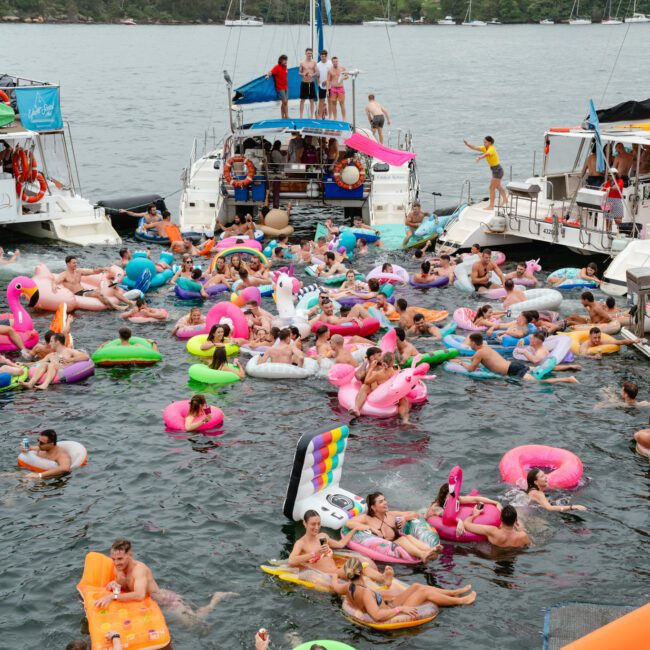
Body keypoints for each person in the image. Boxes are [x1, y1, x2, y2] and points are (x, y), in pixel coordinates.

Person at [93, 539, 236, 624]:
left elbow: (139, 595)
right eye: (113, 559)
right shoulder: (118, 567)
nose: (116, 563)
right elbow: (124, 584)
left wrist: (113, 596)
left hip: (165, 600)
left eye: (120, 559)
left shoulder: (139, 570)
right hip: (150, 604)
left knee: (194, 622)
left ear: (129, 555)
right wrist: (115, 585)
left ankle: (216, 598)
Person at [288, 510, 393, 584]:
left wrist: (354, 529)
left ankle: (382, 578)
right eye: (313, 524)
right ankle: (379, 580)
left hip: (336, 570)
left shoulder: (322, 537)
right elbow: (291, 561)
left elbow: (341, 544)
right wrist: (314, 553)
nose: (317, 527)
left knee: (360, 565)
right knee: (355, 566)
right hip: (326, 576)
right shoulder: (301, 543)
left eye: (319, 523)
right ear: (305, 523)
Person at [346, 492, 442, 562]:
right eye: (381, 502)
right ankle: (423, 554)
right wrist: (371, 528)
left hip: (402, 542)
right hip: (388, 547)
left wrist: (405, 518)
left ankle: (429, 550)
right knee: (402, 540)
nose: (385, 503)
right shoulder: (367, 518)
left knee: (408, 537)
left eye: (384, 500)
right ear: (373, 507)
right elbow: (349, 523)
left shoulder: (391, 515)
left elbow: (415, 514)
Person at [457, 332, 579, 384]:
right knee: (538, 368)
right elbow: (475, 357)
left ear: (474, 343)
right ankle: (569, 367)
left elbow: (471, 369)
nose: (469, 344)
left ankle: (568, 379)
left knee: (539, 382)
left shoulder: (479, 353)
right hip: (513, 365)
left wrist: (462, 364)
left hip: (512, 370)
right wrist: (461, 358)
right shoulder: (484, 348)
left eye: (470, 342)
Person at [348, 352, 411, 423]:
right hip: (393, 396)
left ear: (382, 361)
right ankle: (405, 420)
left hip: (381, 397)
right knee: (404, 399)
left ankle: (356, 408)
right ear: (393, 362)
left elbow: (366, 381)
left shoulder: (378, 374)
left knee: (364, 386)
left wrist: (371, 368)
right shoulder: (396, 371)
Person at [20, 333, 91, 390]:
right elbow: (37, 363)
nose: (49, 343)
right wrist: (23, 363)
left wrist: (70, 359)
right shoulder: (51, 355)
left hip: (66, 372)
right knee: (44, 364)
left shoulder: (69, 351)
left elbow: (86, 357)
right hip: (55, 373)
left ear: (57, 342)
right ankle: (31, 383)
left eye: (51, 341)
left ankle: (45, 385)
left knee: (51, 364)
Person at [53, 255, 121, 310]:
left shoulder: (78, 271)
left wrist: (102, 269)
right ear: (68, 264)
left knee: (106, 290)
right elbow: (56, 281)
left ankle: (128, 302)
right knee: (98, 294)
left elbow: (93, 271)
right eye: (74, 263)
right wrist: (54, 286)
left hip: (83, 291)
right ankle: (115, 307)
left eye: (76, 262)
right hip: (77, 294)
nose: (76, 264)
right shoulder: (64, 275)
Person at [463, 136, 508, 210]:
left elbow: (486, 154)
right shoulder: (485, 148)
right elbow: (475, 147)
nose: (484, 143)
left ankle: (491, 206)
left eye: (485, 142)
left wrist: (479, 157)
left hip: (497, 170)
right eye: (483, 142)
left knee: (491, 188)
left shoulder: (491, 149)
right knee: (497, 186)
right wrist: (467, 144)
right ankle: (505, 200)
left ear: (490, 142)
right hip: (495, 170)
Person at [457, 505, 531, 548]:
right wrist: (521, 529)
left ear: (500, 519)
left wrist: (474, 514)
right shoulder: (523, 536)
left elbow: (466, 524)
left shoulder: (492, 532)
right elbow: (531, 546)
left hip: (495, 557)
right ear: (515, 520)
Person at [425, 481, 501, 520]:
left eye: (453, 495)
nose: (453, 497)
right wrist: (461, 521)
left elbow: (475, 499)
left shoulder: (455, 498)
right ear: (444, 497)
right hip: (425, 519)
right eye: (450, 496)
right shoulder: (436, 507)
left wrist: (495, 502)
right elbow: (447, 517)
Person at [577, 326, 645, 358]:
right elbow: (582, 355)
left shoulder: (602, 341)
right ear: (590, 337)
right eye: (595, 338)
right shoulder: (585, 345)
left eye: (599, 337)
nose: (597, 340)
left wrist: (634, 341)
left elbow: (620, 342)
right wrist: (594, 357)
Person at [265, 55, 289, 119]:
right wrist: (267, 76)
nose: (286, 61)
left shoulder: (285, 67)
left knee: (285, 102)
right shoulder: (277, 67)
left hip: (286, 87)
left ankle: (285, 116)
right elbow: (270, 72)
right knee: (284, 102)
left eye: (286, 60)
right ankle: (285, 116)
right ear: (281, 61)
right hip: (280, 87)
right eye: (284, 60)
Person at [326, 56, 349, 121]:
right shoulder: (330, 70)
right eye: (334, 62)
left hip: (340, 88)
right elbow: (328, 80)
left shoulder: (342, 68)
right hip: (333, 88)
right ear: (332, 62)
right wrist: (327, 90)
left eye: (336, 61)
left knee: (342, 103)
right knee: (333, 104)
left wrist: (343, 78)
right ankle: (335, 118)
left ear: (338, 61)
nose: (335, 63)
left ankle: (344, 119)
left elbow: (347, 76)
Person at [298, 48, 317, 118]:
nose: (309, 54)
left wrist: (312, 75)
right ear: (305, 54)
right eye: (308, 53)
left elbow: (316, 72)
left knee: (311, 100)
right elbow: (299, 72)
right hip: (304, 83)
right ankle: (301, 116)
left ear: (312, 54)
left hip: (311, 82)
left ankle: (312, 116)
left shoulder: (314, 63)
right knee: (302, 100)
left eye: (310, 53)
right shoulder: (302, 63)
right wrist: (303, 74)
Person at [315, 50, 332, 118]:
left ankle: (331, 116)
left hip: (330, 85)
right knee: (321, 101)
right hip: (321, 86)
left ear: (326, 56)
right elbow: (316, 76)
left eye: (324, 56)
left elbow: (332, 74)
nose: (323, 58)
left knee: (330, 101)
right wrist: (318, 83)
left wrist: (327, 80)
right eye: (322, 56)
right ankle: (319, 116)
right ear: (320, 56)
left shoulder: (330, 63)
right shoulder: (318, 65)